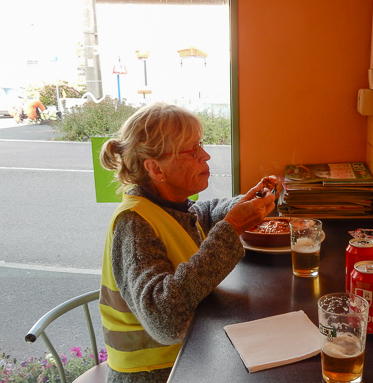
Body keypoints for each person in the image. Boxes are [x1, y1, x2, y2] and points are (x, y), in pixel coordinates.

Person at [98, 102, 277, 383]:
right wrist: (232, 227)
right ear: (156, 168)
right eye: (192, 150)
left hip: (192, 355)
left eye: (201, 145)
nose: (205, 155)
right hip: (158, 373)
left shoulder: (171, 207)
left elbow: (203, 212)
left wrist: (246, 205)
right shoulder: (133, 224)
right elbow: (164, 320)